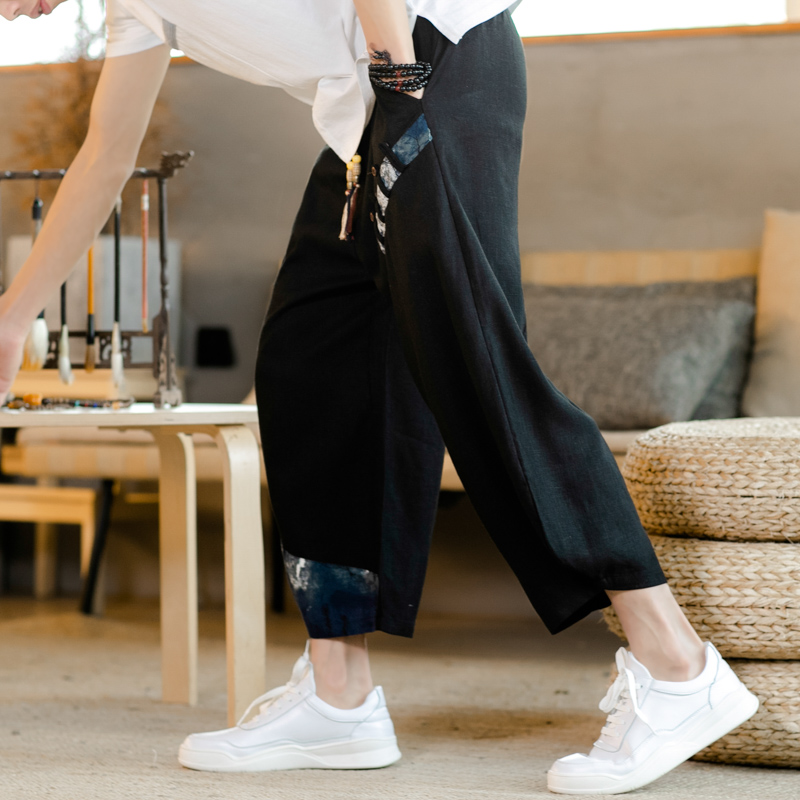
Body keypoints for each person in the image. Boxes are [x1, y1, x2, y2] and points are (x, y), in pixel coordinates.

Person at [0, 0, 758, 794]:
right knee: (310, 357)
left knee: (474, 362)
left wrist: (402, 84)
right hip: (371, 109)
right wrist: (16, 316)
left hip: (431, 61)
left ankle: (677, 666)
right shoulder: (134, 13)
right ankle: (339, 699)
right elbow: (105, 156)